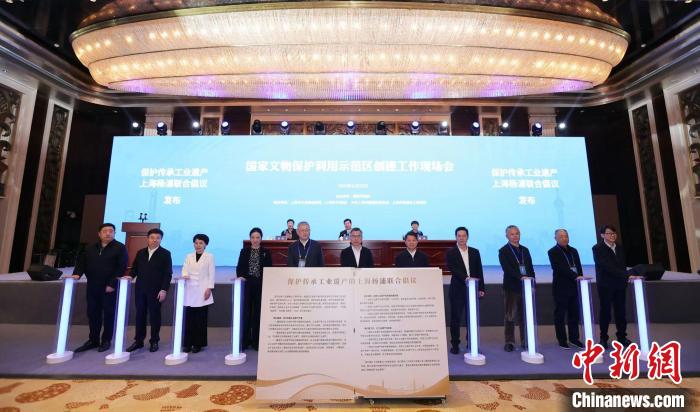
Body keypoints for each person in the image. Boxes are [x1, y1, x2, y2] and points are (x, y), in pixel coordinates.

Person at [70, 223, 128, 353]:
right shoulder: (90, 248)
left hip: (109, 287)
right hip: (93, 285)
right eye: (105, 231)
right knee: (93, 313)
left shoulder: (120, 248)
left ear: (114, 233)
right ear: (99, 234)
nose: (108, 233)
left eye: (111, 231)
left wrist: (112, 284)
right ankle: (93, 340)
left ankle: (106, 340)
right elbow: (81, 263)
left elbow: (121, 267)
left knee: (108, 314)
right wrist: (76, 274)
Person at [592, 225, 640, 349]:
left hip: (620, 284)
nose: (612, 235)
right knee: (605, 312)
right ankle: (603, 338)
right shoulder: (597, 248)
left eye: (614, 233)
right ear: (602, 235)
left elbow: (622, 265)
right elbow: (606, 266)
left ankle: (622, 337)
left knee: (621, 312)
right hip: (606, 285)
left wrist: (625, 276)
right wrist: (626, 275)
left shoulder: (619, 247)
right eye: (609, 233)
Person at [125, 228, 173, 353]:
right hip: (140, 289)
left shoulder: (165, 253)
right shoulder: (141, 252)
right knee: (140, 315)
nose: (154, 240)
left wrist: (164, 290)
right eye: (152, 237)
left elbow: (167, 274)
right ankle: (138, 341)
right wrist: (130, 276)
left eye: (158, 238)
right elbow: (135, 268)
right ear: (147, 238)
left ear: (161, 239)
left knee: (154, 316)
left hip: (156, 290)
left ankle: (154, 341)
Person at [445, 227, 485, 354]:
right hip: (457, 289)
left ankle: (471, 343)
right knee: (455, 318)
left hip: (473, 289)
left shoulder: (475, 252)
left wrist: (481, 287)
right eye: (459, 236)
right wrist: (466, 278)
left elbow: (479, 270)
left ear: (467, 237)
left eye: (464, 236)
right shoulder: (450, 252)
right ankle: (455, 344)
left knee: (471, 318)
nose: (461, 238)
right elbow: (453, 268)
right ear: (456, 237)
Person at [498, 225, 535, 352]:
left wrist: (532, 283)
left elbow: (530, 268)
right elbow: (507, 269)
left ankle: (525, 340)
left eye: (517, 233)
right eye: (512, 234)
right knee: (510, 316)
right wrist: (520, 277)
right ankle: (509, 342)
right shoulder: (503, 251)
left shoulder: (525, 250)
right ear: (507, 236)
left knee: (524, 315)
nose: (515, 236)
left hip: (526, 287)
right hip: (511, 287)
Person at [547, 229, 584, 350]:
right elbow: (559, 268)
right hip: (561, 288)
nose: (564, 238)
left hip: (574, 286)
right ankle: (562, 339)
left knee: (574, 314)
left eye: (566, 236)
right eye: (561, 236)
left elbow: (578, 267)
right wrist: (575, 276)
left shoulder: (574, 251)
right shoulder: (553, 252)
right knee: (560, 315)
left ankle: (574, 338)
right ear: (556, 238)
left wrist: (580, 278)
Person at [237, 228, 272, 350]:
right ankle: (245, 341)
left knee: (258, 314)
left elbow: (269, 269)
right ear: (250, 238)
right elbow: (240, 267)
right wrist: (241, 276)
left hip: (260, 285)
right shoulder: (244, 251)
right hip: (247, 284)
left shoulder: (266, 252)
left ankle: (257, 341)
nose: (255, 240)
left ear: (261, 238)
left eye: (258, 237)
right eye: (253, 237)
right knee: (246, 313)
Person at [182, 234, 216, 353]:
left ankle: (198, 344)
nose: (198, 245)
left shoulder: (209, 257)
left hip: (203, 291)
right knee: (189, 319)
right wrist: (184, 276)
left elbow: (211, 273)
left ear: (205, 245)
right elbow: (185, 270)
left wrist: (209, 288)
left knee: (200, 319)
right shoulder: (188, 256)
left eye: (201, 243)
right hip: (190, 290)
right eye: (196, 243)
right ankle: (187, 343)